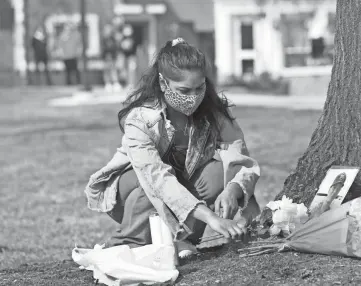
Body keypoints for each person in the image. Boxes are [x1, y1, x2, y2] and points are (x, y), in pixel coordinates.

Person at [84, 38, 261, 251]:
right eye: (184, 91)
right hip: (137, 191)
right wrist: (212, 219)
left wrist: (234, 189)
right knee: (148, 182)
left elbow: (239, 157)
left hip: (180, 190)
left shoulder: (215, 112)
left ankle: (182, 239)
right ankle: (128, 242)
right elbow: (157, 179)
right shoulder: (140, 120)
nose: (194, 98)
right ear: (162, 83)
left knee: (216, 173)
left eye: (200, 88)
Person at [102, 24, 121, 92]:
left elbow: (115, 47)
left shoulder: (113, 38)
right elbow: (103, 48)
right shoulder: (103, 39)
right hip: (106, 57)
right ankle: (108, 84)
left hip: (112, 57)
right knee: (106, 70)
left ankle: (115, 83)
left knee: (113, 70)